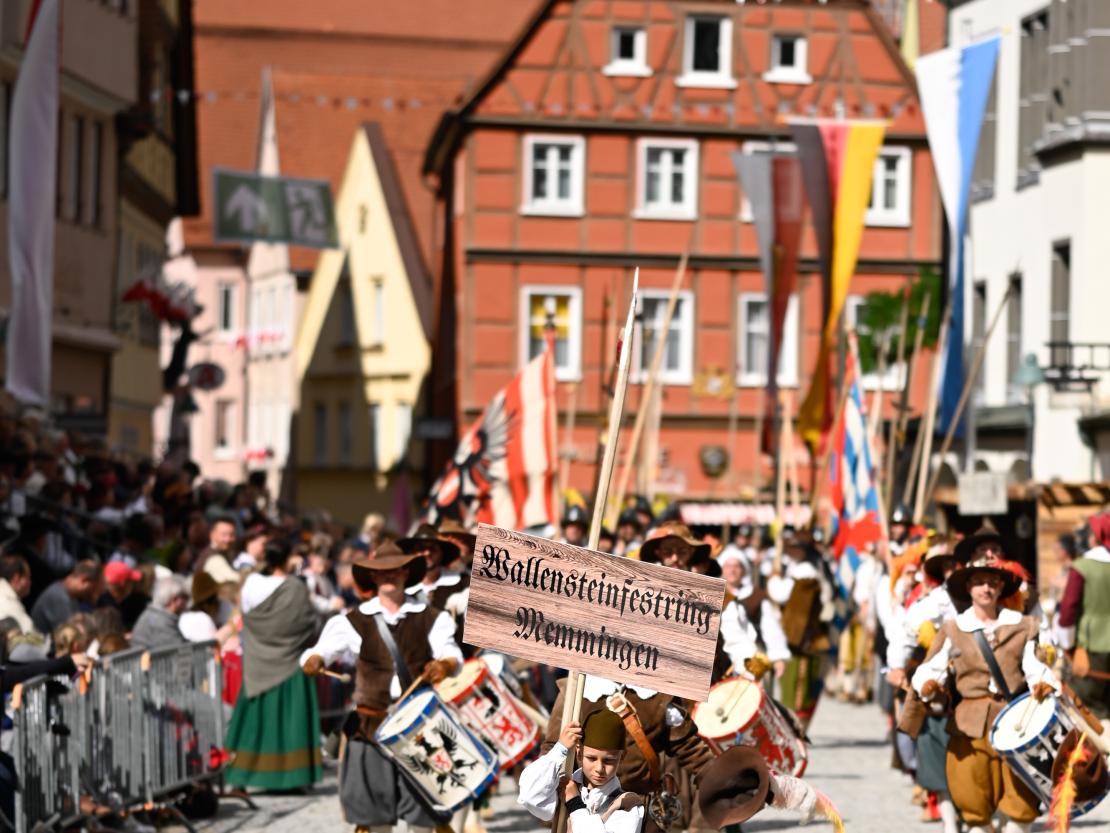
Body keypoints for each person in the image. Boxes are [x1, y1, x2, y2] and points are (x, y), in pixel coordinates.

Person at [301, 541, 462, 832]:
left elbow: (451, 652)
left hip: (420, 725)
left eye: (395, 571)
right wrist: (313, 659)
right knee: (373, 816)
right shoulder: (351, 621)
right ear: (373, 577)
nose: (389, 576)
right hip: (369, 726)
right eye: (382, 571)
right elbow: (321, 650)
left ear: (405, 573)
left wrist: (446, 665)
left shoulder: (431, 617)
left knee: (425, 816)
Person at [912, 553, 1058, 833]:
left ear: (1001, 588)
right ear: (969, 589)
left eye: (992, 582)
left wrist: (1042, 682)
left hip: (1016, 723)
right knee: (973, 802)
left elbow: (1034, 665)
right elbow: (931, 667)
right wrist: (928, 685)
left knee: (1020, 807)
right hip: (969, 724)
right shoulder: (954, 629)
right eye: (979, 583)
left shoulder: (1022, 625)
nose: (986, 588)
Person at [224, 540, 322, 791]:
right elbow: (307, 622)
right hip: (289, 661)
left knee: (253, 723)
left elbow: (246, 617)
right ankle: (293, 777)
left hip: (257, 661)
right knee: (289, 723)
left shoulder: (251, 585)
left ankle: (240, 776)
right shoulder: (295, 588)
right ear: (287, 558)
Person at [518, 710, 644, 833]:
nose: (599, 768)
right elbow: (530, 796)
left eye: (608, 761)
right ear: (579, 753)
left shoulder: (629, 805)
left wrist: (575, 804)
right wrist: (560, 749)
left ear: (621, 757)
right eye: (591, 758)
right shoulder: (565, 788)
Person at [768, 537, 833, 728]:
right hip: (799, 639)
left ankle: (796, 729)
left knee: (798, 691)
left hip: (801, 640)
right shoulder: (801, 569)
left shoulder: (806, 573)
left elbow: (782, 594)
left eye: (796, 548)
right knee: (793, 688)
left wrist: (773, 579)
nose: (791, 551)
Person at [1057, 510, 1110, 717]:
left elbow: (1068, 610)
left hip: (1089, 646)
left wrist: (1067, 644)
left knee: (1084, 710)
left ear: (1093, 537)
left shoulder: (1082, 567)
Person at [717, 546, 790, 680]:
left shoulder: (755, 596)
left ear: (744, 570)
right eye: (728, 566)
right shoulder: (713, 595)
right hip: (719, 661)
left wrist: (778, 656)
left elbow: (770, 627)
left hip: (749, 661)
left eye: (737, 566)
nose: (732, 570)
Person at [398, 523, 469, 612]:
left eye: (432, 548)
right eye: (421, 548)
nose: (427, 553)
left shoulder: (464, 582)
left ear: (442, 552)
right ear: (412, 553)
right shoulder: (401, 588)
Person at [30, 559, 101, 636]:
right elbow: (68, 636)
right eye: (93, 589)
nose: (93, 594)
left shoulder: (70, 595)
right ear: (84, 581)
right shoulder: (58, 598)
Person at [130, 575, 189, 650]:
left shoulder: (156, 615)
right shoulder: (159, 620)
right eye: (186, 597)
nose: (187, 602)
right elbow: (181, 650)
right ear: (174, 599)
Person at [97, 561, 147, 631]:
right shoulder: (106, 608)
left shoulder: (130, 602)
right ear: (123, 584)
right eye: (131, 580)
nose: (133, 584)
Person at [0, 554, 34, 634]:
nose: (30, 583)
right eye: (28, 578)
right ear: (16, 578)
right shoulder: (7, 602)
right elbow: (28, 632)